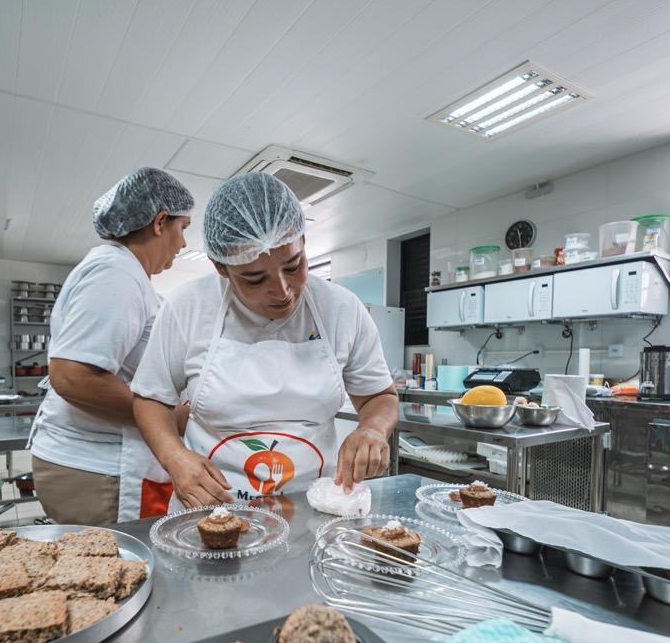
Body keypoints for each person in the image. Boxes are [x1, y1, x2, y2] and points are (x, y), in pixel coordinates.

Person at [130, 173, 397, 510]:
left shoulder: (342, 308)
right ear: (221, 268)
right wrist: (174, 456)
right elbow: (151, 399)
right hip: (212, 510)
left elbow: (379, 396)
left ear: (303, 242)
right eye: (255, 279)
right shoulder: (188, 307)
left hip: (313, 507)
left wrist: (373, 429)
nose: (282, 291)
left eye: (294, 266)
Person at [28, 167, 193, 524]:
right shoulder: (116, 274)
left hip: (100, 465)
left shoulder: (127, 275)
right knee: (110, 558)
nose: (183, 243)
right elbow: (73, 377)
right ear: (160, 222)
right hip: (95, 468)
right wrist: (169, 418)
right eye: (183, 228)